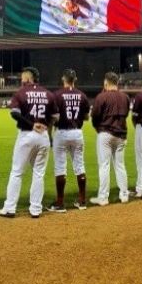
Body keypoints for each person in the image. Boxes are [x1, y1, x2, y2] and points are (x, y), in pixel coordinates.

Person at [0, 67, 56, 219]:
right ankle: (35, 209)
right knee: (39, 173)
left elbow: (14, 113)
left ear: (29, 79)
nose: (21, 81)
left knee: (17, 172)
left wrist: (31, 125)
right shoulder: (48, 93)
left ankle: (10, 208)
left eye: (23, 78)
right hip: (43, 135)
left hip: (27, 134)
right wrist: (46, 126)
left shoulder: (21, 93)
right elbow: (56, 116)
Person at [48, 69, 90, 212]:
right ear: (75, 79)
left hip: (61, 132)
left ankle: (60, 203)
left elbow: (54, 117)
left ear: (63, 79)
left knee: (60, 167)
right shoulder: (82, 95)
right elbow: (86, 117)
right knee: (80, 166)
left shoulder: (57, 95)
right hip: (77, 133)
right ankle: (82, 201)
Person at [90, 71, 130, 206]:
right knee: (120, 165)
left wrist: (98, 129)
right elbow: (126, 114)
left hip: (105, 133)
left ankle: (103, 198)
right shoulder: (125, 97)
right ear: (117, 82)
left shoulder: (101, 97)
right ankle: (124, 194)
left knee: (104, 166)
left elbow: (94, 116)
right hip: (121, 135)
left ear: (106, 82)